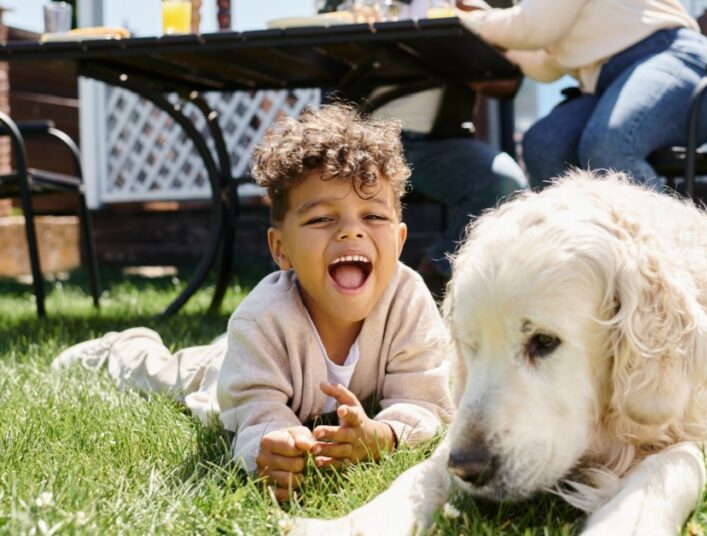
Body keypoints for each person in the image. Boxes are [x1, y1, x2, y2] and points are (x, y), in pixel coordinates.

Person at [51, 104, 454, 502]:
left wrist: (383, 436)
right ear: (281, 249)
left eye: (373, 217)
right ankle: (123, 348)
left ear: (399, 240)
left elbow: (424, 400)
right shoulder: (263, 319)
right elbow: (254, 412)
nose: (352, 232)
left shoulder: (407, 300)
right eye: (321, 219)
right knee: (169, 372)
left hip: (256, 355)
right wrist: (274, 441)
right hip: (224, 369)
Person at [319, 0, 529, 296]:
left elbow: (508, 81)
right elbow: (323, 37)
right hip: (362, 139)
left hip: (436, 146)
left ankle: (433, 275)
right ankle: (318, 285)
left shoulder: (463, 7)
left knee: (506, 182)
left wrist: (471, 46)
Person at [459, 0, 707, 190]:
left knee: (609, 145)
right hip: (609, 82)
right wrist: (487, 44)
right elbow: (545, 64)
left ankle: (665, 262)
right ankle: (581, 263)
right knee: (543, 145)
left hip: (679, 62)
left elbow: (531, 28)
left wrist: (473, 21)